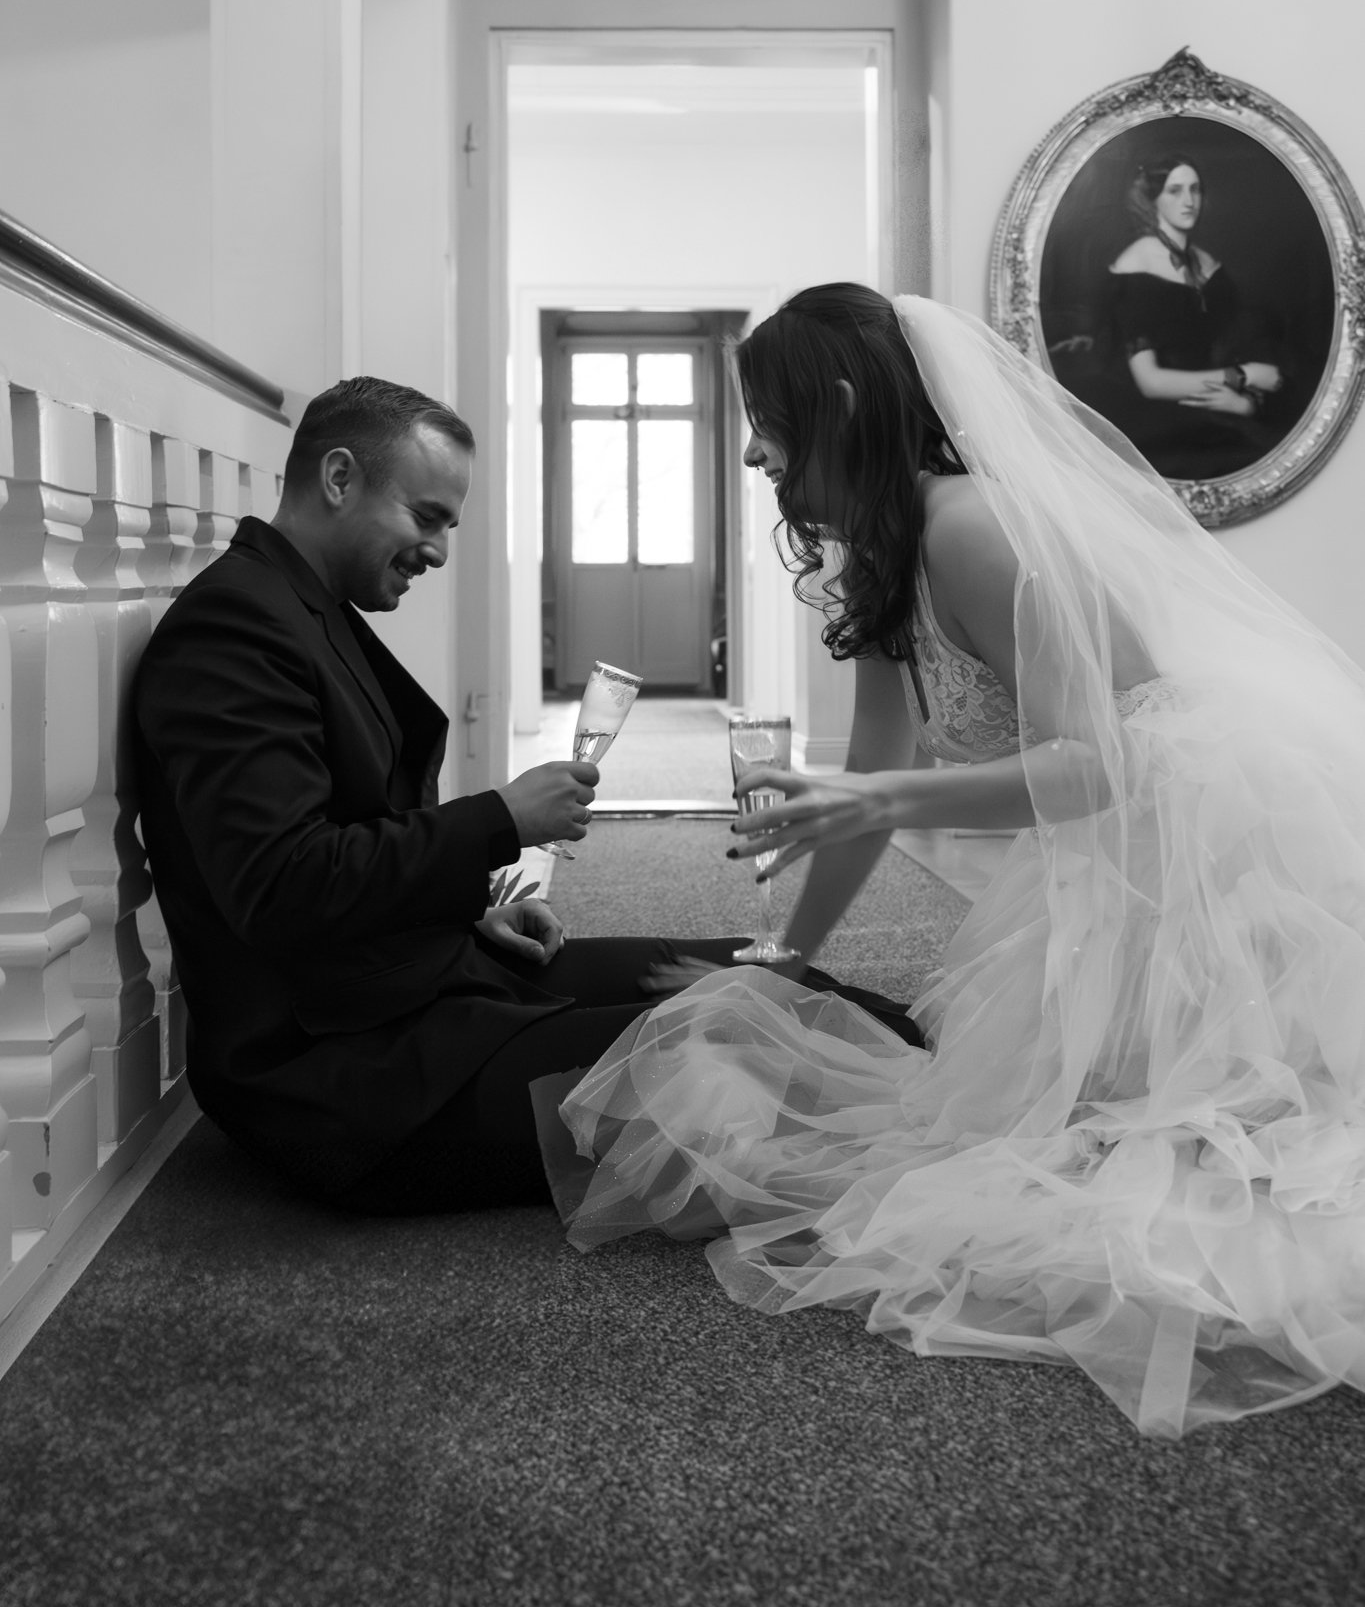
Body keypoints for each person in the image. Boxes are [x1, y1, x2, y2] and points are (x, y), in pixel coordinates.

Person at [543, 285, 1365, 1438]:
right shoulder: (889, 550)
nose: (748, 448)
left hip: (1205, 839)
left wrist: (873, 791)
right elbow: (872, 789)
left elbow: (1100, 767)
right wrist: (783, 955)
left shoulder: (969, 526)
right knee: (1020, 1139)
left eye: (764, 416)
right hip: (1106, 863)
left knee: (1190, 1178)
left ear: (833, 403)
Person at [131, 375, 920, 1216]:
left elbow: (337, 830)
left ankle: (970, 1064)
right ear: (337, 479)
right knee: (744, 1039)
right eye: (425, 517)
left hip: (417, 984)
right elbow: (283, 885)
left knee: (757, 974)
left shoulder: (300, 604)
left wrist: (466, 912)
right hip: (347, 1076)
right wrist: (501, 819)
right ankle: (972, 1095)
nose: (436, 551)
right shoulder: (234, 628)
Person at [1096, 153, 1285, 477]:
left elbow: (1242, 345)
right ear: (1152, 198)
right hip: (1160, 421)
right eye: (1175, 190)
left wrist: (1245, 402)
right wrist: (1243, 376)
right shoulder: (1134, 264)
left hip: (1219, 407)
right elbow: (1151, 383)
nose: (1189, 201)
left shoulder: (1208, 265)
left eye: (1195, 189)